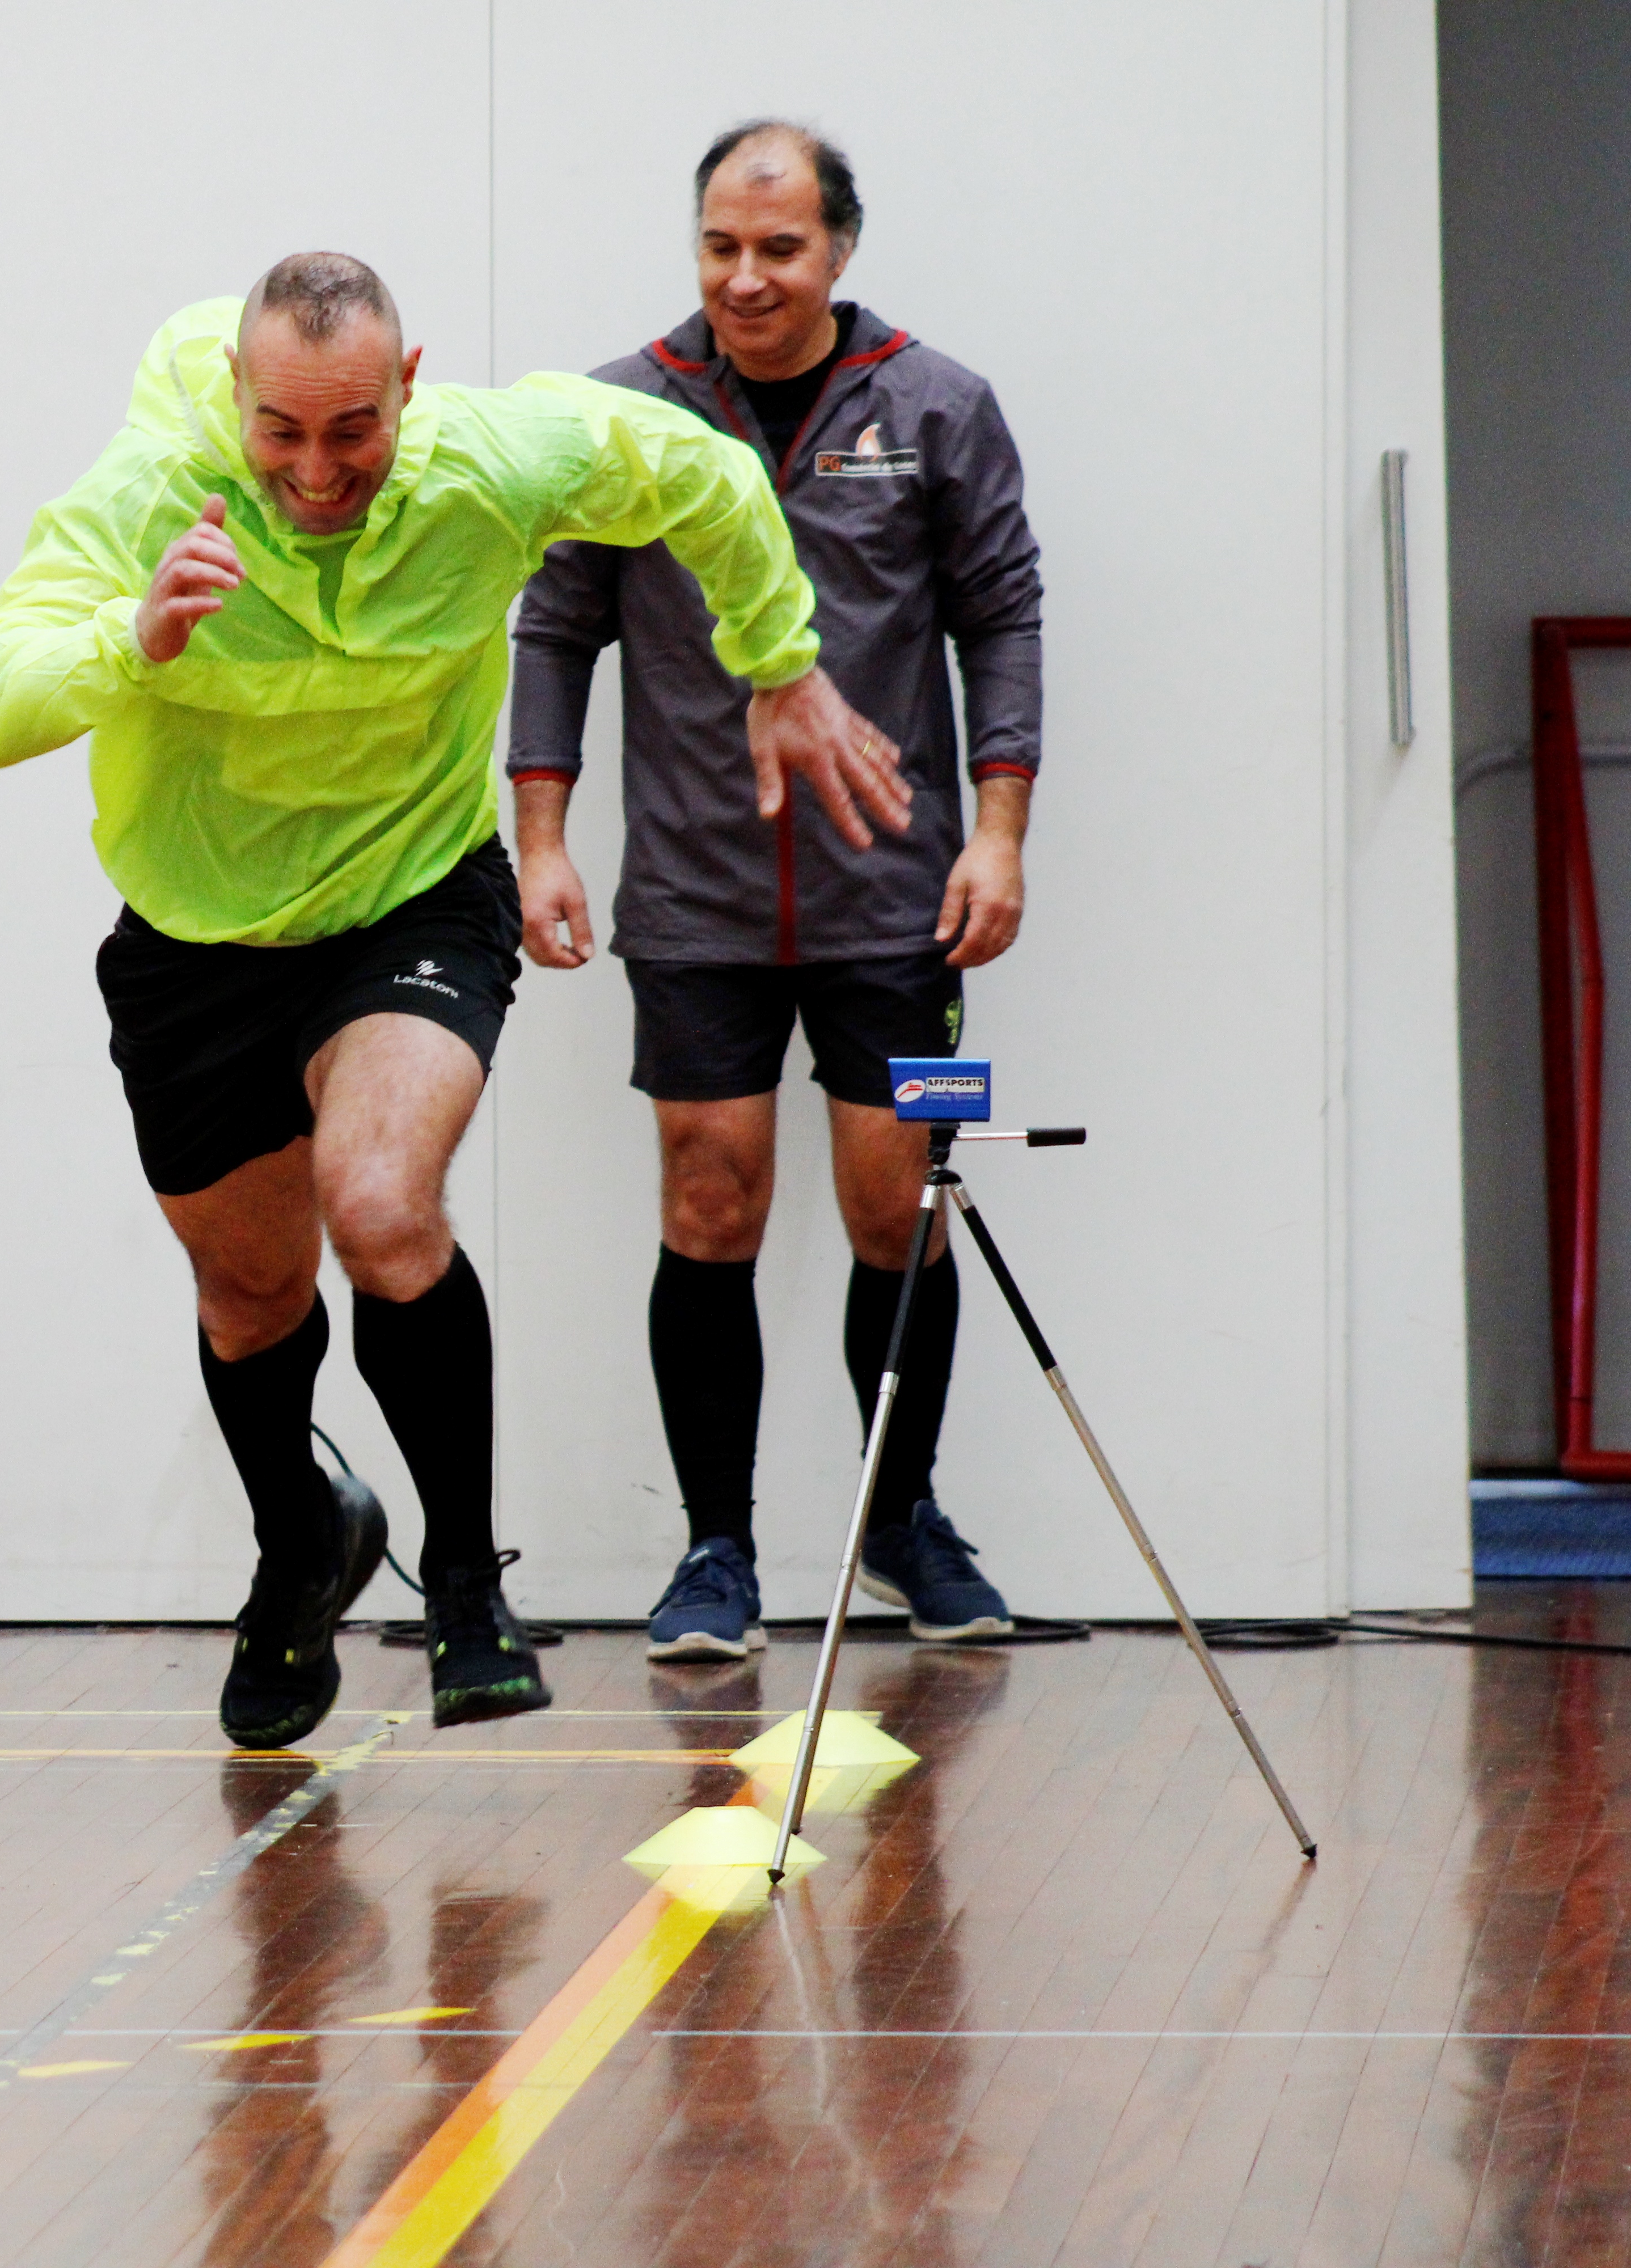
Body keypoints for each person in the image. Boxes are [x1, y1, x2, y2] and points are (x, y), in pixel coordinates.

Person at [0, 252, 911, 1746]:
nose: (318, 470)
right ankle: (297, 1545)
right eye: (281, 432)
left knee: (382, 1202)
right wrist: (126, 639)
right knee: (250, 1293)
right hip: (198, 939)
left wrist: (776, 661)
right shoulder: (151, 497)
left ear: (407, 385)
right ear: (236, 402)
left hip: (410, 899)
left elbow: (704, 475)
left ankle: (463, 1579)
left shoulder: (494, 462)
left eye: (352, 429)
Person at [506, 121, 1046, 1659]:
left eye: (780, 250)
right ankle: (716, 1552)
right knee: (710, 1196)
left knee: (904, 1202)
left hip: (900, 899)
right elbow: (554, 633)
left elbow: (1002, 620)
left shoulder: (937, 405)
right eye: (720, 248)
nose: (746, 278)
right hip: (695, 894)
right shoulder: (628, 416)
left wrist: (997, 832)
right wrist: (541, 840)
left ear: (841, 251)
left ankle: (905, 1523)